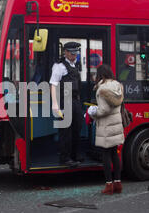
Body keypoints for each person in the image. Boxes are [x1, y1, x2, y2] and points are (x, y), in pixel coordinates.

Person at [88, 64, 124, 195]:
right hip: (116, 125)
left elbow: (103, 110)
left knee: (105, 155)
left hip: (106, 126)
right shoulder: (117, 85)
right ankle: (118, 183)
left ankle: (109, 185)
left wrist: (92, 111)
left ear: (101, 75)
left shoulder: (101, 89)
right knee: (115, 154)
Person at [50, 42, 83, 168]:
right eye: (71, 52)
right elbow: (53, 85)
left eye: (75, 52)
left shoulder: (74, 65)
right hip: (65, 100)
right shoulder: (59, 66)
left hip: (75, 101)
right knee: (65, 131)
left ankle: (74, 155)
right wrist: (55, 104)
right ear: (65, 52)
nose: (74, 55)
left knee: (77, 127)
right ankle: (65, 158)